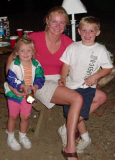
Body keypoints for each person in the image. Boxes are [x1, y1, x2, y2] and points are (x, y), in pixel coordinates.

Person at [6, 6, 107, 160]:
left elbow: (81, 59)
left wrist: (96, 73)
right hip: (38, 82)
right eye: (54, 21)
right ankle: (70, 148)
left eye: (62, 23)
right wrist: (12, 85)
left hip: (61, 79)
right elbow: (12, 59)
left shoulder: (68, 42)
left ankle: (66, 127)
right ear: (47, 21)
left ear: (66, 25)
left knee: (100, 97)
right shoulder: (33, 37)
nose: (58, 26)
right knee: (77, 99)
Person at [58, 16, 113, 153]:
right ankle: (85, 139)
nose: (87, 34)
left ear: (98, 33)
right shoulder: (73, 46)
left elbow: (108, 68)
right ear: (79, 31)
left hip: (87, 88)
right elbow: (66, 64)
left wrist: (96, 75)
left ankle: (65, 129)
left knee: (79, 113)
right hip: (70, 87)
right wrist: (63, 77)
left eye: (91, 31)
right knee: (74, 114)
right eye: (84, 30)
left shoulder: (100, 49)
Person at [4, 37, 45, 151]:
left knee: (25, 117)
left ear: (33, 52)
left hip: (29, 96)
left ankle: (23, 135)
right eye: (22, 51)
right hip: (14, 95)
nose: (26, 53)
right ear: (17, 52)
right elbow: (11, 78)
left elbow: (40, 77)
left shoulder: (36, 64)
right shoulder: (14, 65)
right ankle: (11, 136)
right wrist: (22, 86)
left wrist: (36, 86)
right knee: (13, 116)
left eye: (29, 50)